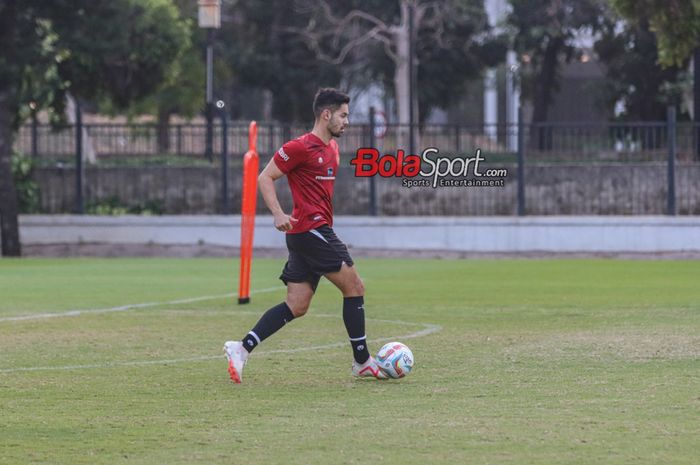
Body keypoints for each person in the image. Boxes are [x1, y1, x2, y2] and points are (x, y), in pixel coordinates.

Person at [223, 88, 386, 383]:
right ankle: (362, 361)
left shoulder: (333, 149)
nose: (347, 122)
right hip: (311, 230)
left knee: (297, 305)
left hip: (307, 233)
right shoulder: (299, 147)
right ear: (326, 115)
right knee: (355, 287)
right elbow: (265, 177)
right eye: (343, 115)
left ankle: (241, 348)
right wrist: (277, 213)